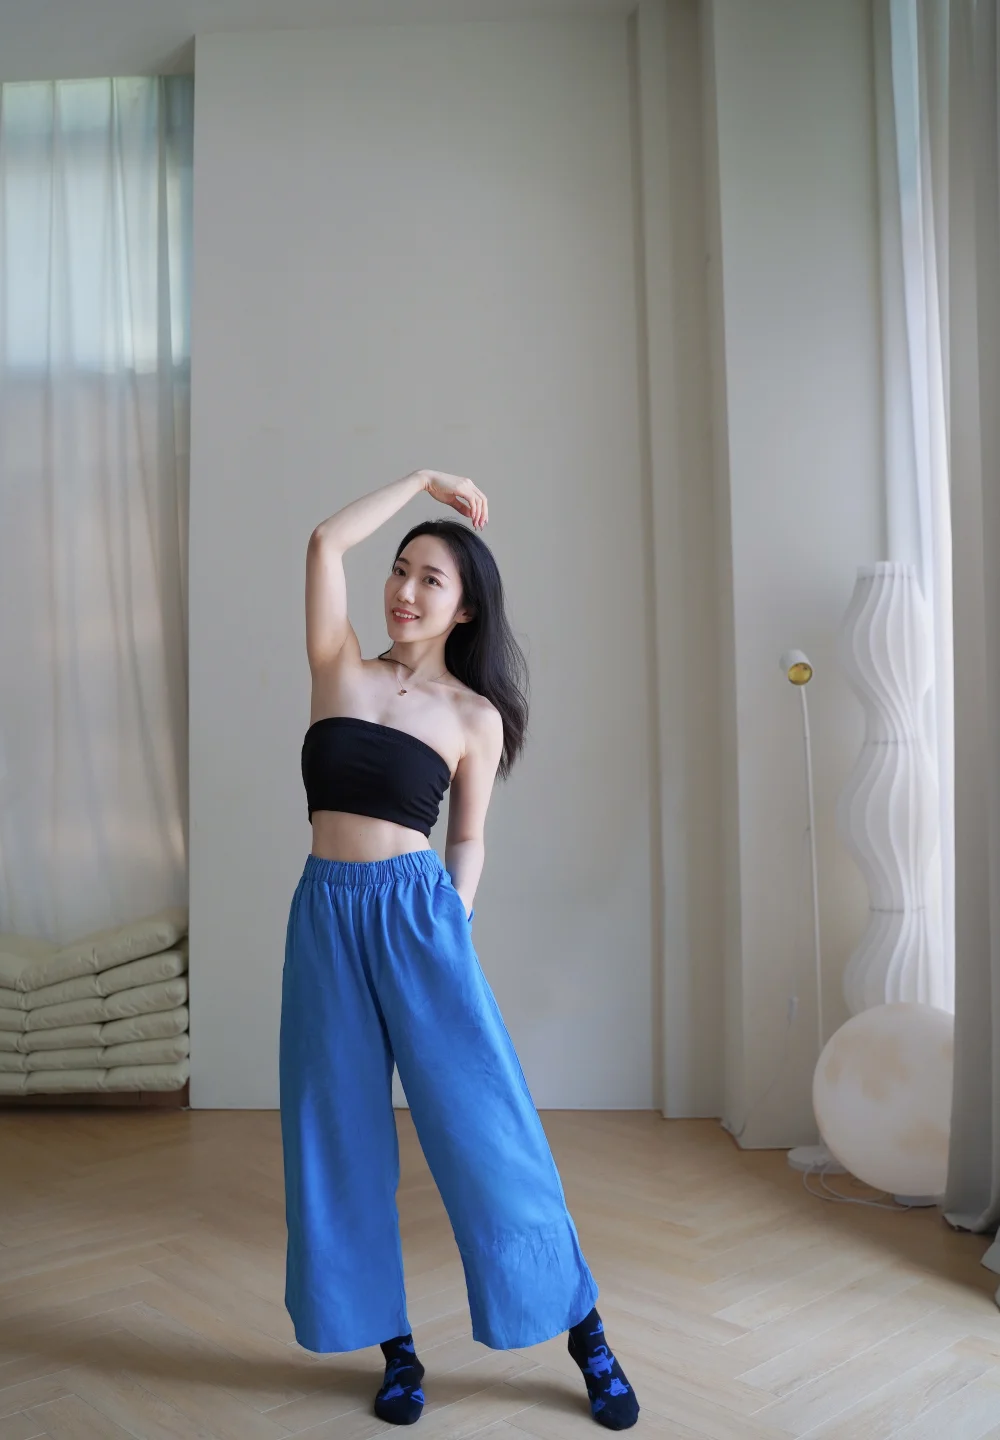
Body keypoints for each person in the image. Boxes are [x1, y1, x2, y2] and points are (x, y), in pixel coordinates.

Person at [279, 468, 639, 1431]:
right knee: (334, 1134)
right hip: (325, 915)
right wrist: (419, 480)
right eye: (399, 570)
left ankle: (585, 1330)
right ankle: (395, 1349)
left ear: (465, 607)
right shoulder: (339, 668)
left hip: (417, 918)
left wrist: (454, 917)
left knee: (487, 1128)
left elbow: (467, 837)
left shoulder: (474, 717)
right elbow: (323, 542)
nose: (403, 590)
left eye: (429, 579)